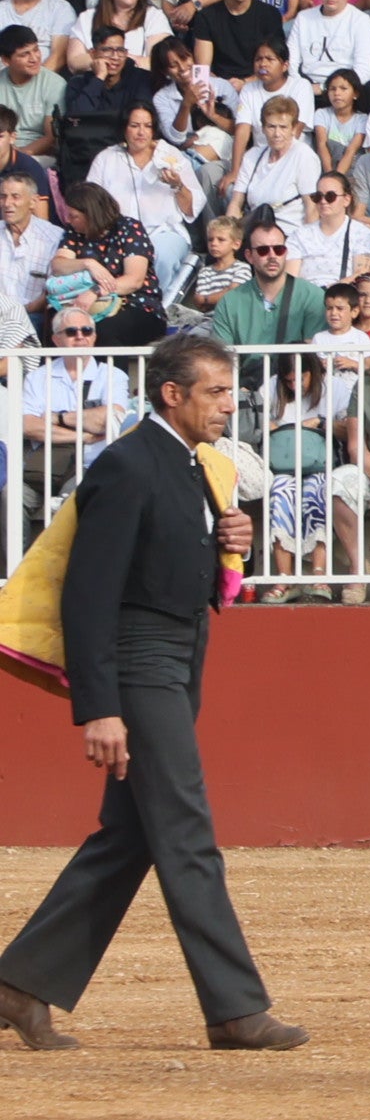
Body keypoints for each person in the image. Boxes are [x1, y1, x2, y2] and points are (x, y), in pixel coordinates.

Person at [0, 331, 307, 1054]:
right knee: (186, 830)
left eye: (230, 392)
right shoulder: (128, 466)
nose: (228, 406)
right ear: (173, 393)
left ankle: (20, 985)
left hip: (175, 655)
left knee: (133, 834)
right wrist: (99, 707)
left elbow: (174, 570)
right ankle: (234, 1009)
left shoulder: (194, 465)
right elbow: (88, 595)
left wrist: (230, 539)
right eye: (215, 392)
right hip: (138, 665)